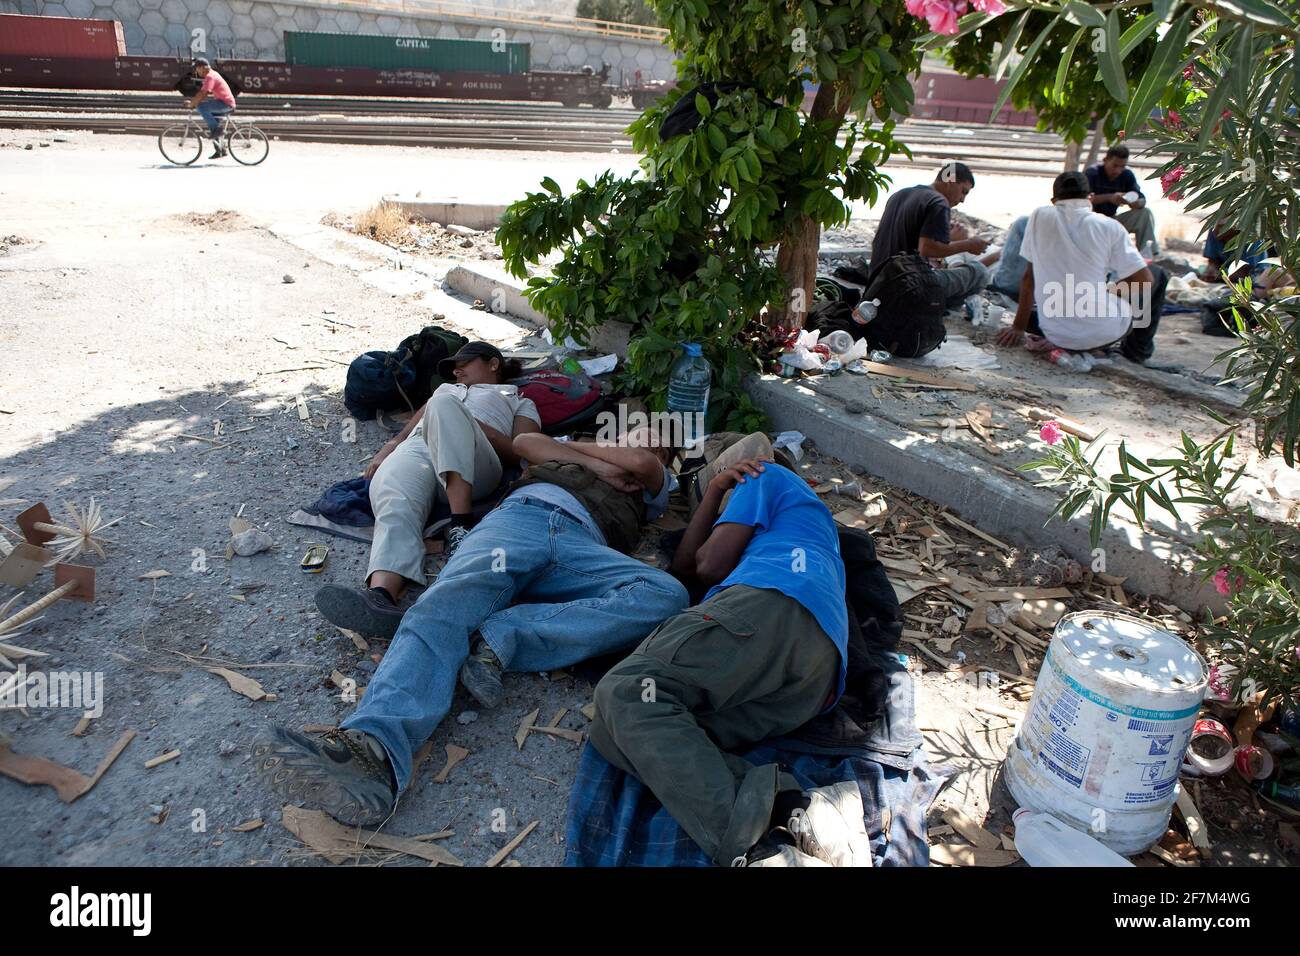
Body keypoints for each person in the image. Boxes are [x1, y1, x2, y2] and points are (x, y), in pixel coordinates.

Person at [252, 428, 690, 826]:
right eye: (640, 431)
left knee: (665, 595)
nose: (648, 441)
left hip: (584, 544)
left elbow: (639, 464)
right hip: (516, 520)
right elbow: (523, 442)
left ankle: (505, 633)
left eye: (659, 442)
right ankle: (372, 752)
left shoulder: (655, 480)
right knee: (442, 606)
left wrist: (594, 456)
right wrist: (594, 460)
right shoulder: (575, 447)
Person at [586, 450, 872, 867]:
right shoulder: (808, 521)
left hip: (769, 607)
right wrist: (713, 496)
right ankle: (801, 810)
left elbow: (706, 566)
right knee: (622, 730)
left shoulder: (762, 475)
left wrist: (722, 486)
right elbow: (687, 565)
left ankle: (757, 850)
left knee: (625, 692)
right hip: (814, 677)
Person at [315, 342, 541, 640]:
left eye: (464, 363)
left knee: (443, 405)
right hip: (421, 450)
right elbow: (408, 430)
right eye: (453, 369)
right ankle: (381, 595)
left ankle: (461, 525)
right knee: (394, 497)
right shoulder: (445, 390)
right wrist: (388, 449)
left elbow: (521, 451)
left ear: (494, 364)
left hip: (475, 462)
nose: (456, 371)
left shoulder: (518, 401)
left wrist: (469, 422)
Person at [995, 171, 1166, 364]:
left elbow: (1028, 278)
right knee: (1157, 275)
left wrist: (1018, 327)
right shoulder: (1109, 226)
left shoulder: (1038, 217)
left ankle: (1085, 338)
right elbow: (1144, 280)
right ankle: (1137, 353)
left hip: (1054, 331)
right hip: (1101, 332)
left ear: (1054, 200)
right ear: (1090, 198)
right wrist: (1111, 291)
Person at [869, 162, 998, 308]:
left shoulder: (901, 194)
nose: (962, 199)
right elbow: (928, 249)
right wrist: (968, 245)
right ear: (950, 180)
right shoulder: (938, 202)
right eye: (963, 191)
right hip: (907, 286)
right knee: (980, 272)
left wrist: (948, 240)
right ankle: (931, 310)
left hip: (876, 280)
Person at [1085, 145, 1159, 256]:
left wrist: (1136, 202)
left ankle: (1147, 257)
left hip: (1113, 222)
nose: (1118, 171)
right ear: (1105, 160)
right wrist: (1109, 197)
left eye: (1122, 167)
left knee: (1144, 213)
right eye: (1114, 166)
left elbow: (1142, 199)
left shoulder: (1127, 175)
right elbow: (1081, 201)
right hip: (1090, 224)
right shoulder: (1092, 173)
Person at [184, 58, 237, 160]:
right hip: (225, 103)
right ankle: (220, 150)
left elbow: (203, 93)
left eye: (197, 69)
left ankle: (217, 131)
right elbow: (202, 93)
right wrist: (193, 102)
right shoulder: (213, 74)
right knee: (212, 124)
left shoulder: (210, 77)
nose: (196, 71)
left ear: (202, 67)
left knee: (201, 107)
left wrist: (192, 104)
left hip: (225, 104)